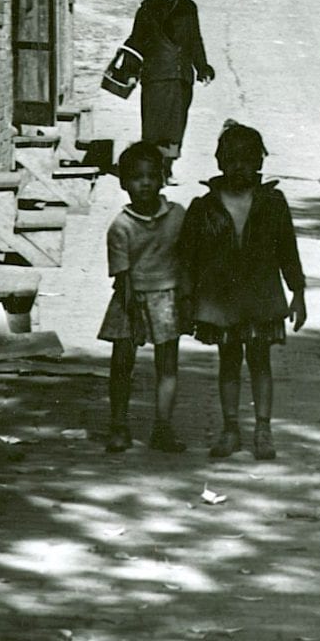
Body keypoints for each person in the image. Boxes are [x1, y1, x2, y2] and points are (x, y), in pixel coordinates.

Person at [184, 121, 307, 461]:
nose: (239, 166)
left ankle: (263, 429)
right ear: (219, 161)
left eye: (247, 159)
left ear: (259, 162)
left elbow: (288, 251)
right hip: (221, 301)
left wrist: (298, 292)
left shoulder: (272, 203)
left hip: (261, 297)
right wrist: (188, 300)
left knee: (260, 361)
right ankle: (230, 428)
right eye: (232, 159)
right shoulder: (204, 207)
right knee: (227, 362)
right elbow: (189, 258)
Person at [100, 142, 188, 454]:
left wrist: (188, 300)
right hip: (130, 299)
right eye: (137, 177)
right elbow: (122, 278)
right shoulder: (120, 226)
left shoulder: (178, 216)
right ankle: (119, 425)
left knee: (167, 365)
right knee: (122, 363)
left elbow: (187, 260)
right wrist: (133, 316)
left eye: (153, 176)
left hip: (167, 298)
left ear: (163, 178)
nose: (146, 183)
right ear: (124, 182)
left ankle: (163, 427)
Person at [125, 0, 213, 171]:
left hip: (180, 75)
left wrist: (202, 68)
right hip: (155, 75)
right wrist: (130, 71)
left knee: (175, 125)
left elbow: (195, 40)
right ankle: (154, 168)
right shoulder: (148, 8)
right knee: (154, 125)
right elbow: (136, 40)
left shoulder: (188, 9)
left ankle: (168, 166)